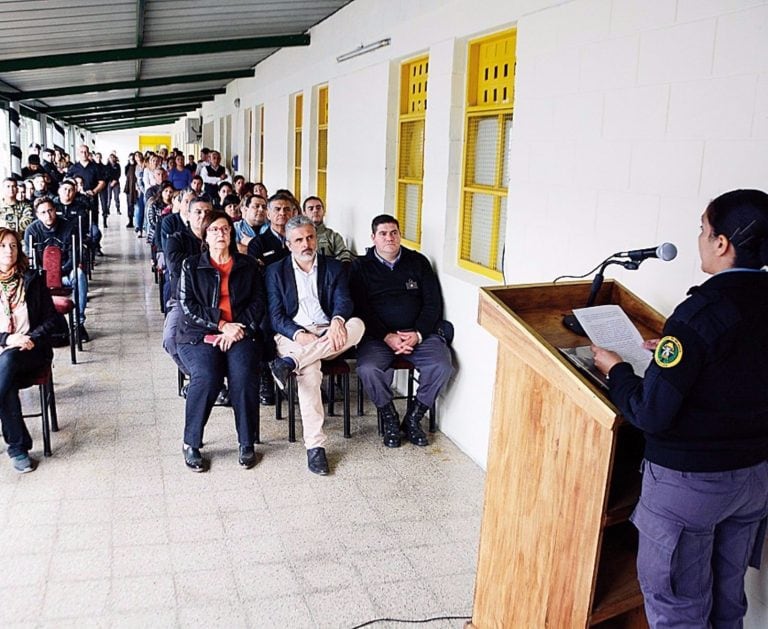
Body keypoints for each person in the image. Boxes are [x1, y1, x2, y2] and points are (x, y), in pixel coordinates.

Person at [591, 189, 768, 629]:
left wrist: (616, 370)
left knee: (678, 611)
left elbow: (649, 412)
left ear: (722, 243)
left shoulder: (699, 312)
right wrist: (680, 353)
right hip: (753, 477)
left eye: (703, 230)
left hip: (691, 488)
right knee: (728, 601)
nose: (701, 239)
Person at [266, 215, 364, 475]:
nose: (306, 243)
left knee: (359, 326)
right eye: (298, 240)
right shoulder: (275, 271)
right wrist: (299, 334)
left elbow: (344, 300)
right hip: (292, 335)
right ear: (288, 244)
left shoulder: (333, 267)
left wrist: (337, 321)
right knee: (310, 373)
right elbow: (276, 317)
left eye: (310, 237)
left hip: (329, 332)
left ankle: (290, 363)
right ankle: (315, 448)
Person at [351, 214, 454, 448]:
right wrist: (387, 336)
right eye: (383, 234)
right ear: (373, 238)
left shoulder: (418, 262)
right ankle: (389, 417)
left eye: (394, 232)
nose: (390, 238)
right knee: (367, 369)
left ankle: (414, 418)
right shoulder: (361, 267)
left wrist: (417, 333)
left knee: (442, 365)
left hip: (418, 335)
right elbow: (360, 308)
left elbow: (433, 303)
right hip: (379, 338)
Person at [176, 211, 265, 472]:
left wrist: (239, 329)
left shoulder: (247, 265)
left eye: (225, 229)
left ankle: (246, 442)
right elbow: (188, 306)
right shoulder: (191, 265)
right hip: (199, 334)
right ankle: (191, 442)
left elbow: (258, 302)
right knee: (207, 375)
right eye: (214, 229)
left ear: (232, 232)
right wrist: (222, 325)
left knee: (244, 372)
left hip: (240, 333)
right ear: (205, 235)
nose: (220, 234)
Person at [0, 227, 60, 473]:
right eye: (3, 246)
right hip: (5, 350)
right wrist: (7, 338)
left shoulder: (32, 280)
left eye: (13, 245)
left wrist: (31, 337)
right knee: (6, 379)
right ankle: (19, 447)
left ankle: (17, 447)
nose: (9, 251)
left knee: (9, 362)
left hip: (31, 351)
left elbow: (52, 320)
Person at [25, 197, 89, 341]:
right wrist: (45, 275)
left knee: (79, 274)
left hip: (66, 273)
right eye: (43, 213)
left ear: (55, 210)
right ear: (37, 215)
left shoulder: (69, 227)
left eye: (50, 210)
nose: (48, 215)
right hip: (42, 277)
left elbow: (75, 255)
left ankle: (78, 323)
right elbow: (30, 259)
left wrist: (60, 272)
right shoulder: (32, 231)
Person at [302, 196, 354, 262]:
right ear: (304, 213)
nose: (315, 211)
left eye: (318, 208)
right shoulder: (298, 236)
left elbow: (344, 258)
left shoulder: (334, 237)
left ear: (324, 211)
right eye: (311, 209)